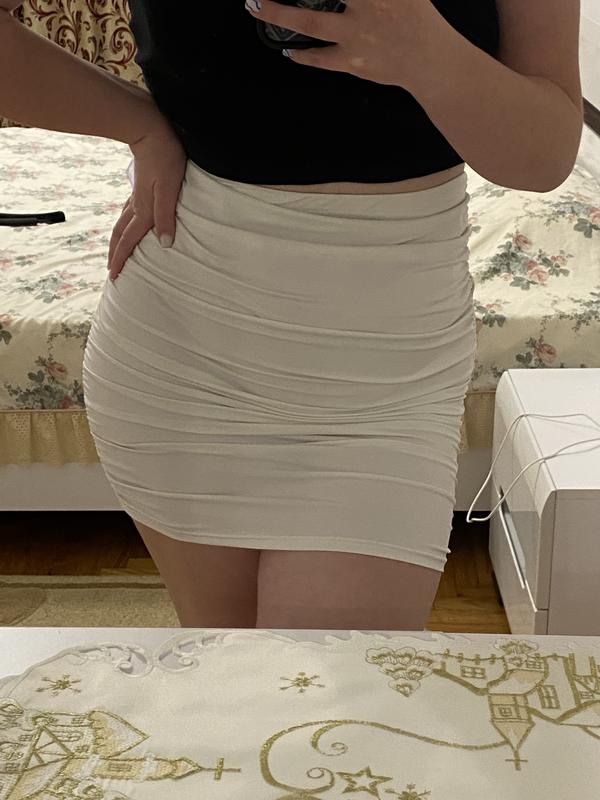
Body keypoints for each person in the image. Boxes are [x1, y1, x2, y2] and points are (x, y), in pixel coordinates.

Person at [0, 0, 583, 632]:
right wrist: (138, 123)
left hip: (388, 385)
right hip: (183, 355)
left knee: (336, 690)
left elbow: (544, 157)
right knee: (226, 669)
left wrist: (427, 54)